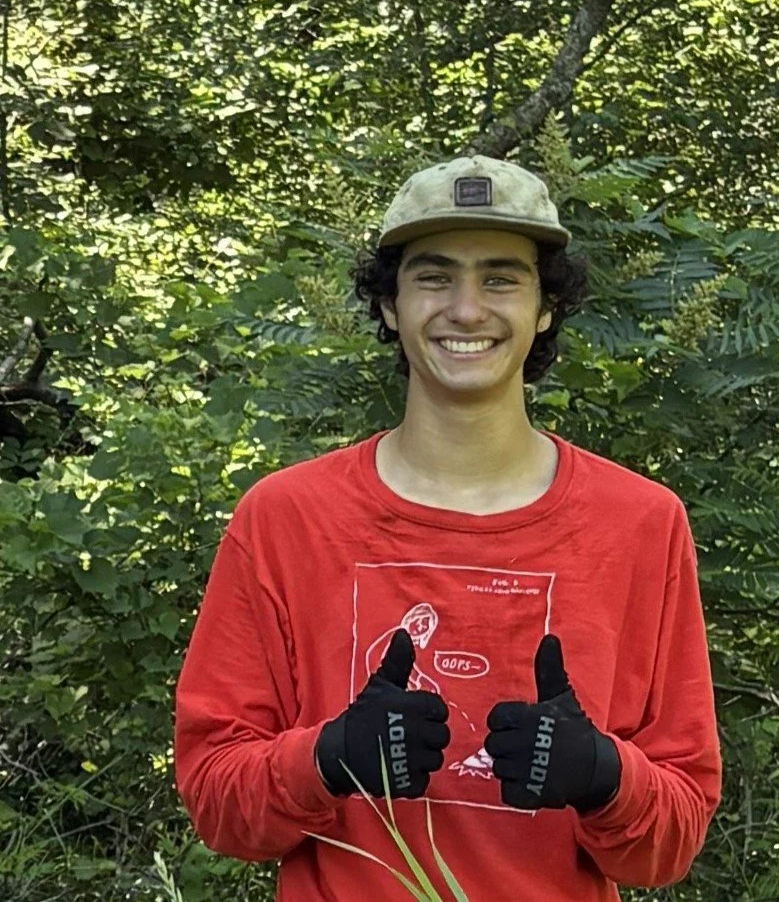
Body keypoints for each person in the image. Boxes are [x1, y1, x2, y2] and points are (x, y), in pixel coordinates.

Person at [173, 154, 722, 901]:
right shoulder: (285, 518)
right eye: (433, 276)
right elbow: (215, 804)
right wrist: (327, 758)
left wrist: (602, 774)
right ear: (391, 304)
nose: (466, 309)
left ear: (545, 306)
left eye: (501, 277)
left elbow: (672, 840)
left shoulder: (638, 524)